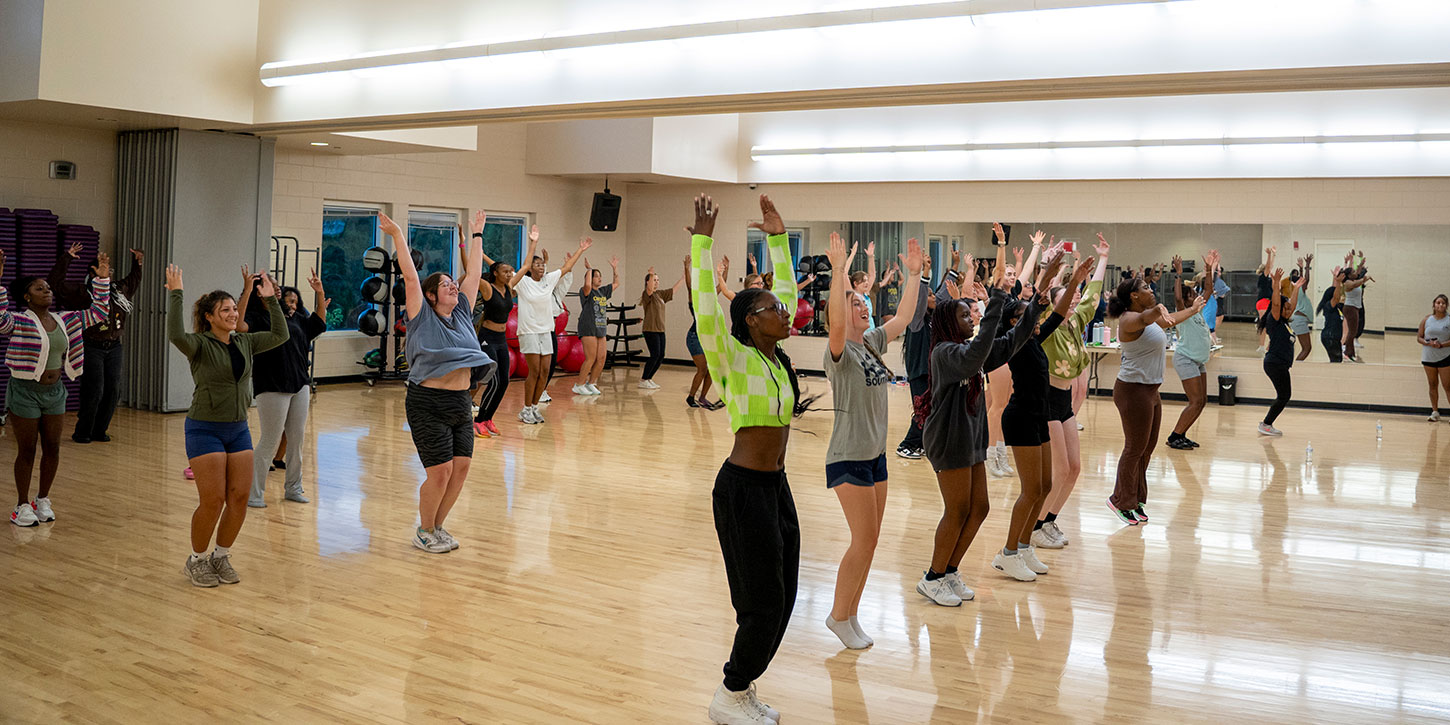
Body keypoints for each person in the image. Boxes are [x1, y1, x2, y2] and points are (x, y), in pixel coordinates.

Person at [692, 194, 807, 725]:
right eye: (773, 310)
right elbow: (704, 305)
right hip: (741, 491)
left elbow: (782, 290)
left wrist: (778, 237)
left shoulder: (775, 356)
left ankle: (743, 688)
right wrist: (702, 241)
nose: (785, 312)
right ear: (749, 321)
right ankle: (729, 693)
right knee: (761, 602)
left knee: (784, 595)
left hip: (775, 487)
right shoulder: (731, 358)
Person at [915, 239, 1031, 607]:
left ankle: (949, 571)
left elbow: (1010, 341)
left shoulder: (967, 351)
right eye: (966, 316)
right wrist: (996, 298)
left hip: (969, 439)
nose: (972, 319)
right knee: (958, 509)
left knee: (979, 508)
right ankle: (933, 577)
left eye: (973, 314)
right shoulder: (946, 353)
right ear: (951, 322)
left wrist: (1038, 305)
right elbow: (978, 352)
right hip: (947, 439)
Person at [821, 233, 923, 649]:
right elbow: (835, 320)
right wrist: (840, 271)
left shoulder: (874, 345)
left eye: (863, 302)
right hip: (847, 458)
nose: (861, 306)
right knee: (862, 541)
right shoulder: (840, 351)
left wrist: (914, 275)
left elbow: (901, 317)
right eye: (854, 303)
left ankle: (850, 613)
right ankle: (836, 615)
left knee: (872, 542)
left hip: (875, 456)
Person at [382, 212, 497, 553]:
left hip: (461, 403)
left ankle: (438, 526)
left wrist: (477, 234)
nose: (452, 286)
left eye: (452, 283)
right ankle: (423, 529)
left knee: (460, 469)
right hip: (427, 403)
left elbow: (474, 274)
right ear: (431, 296)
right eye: (445, 284)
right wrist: (398, 235)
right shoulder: (421, 316)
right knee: (440, 472)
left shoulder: (461, 312)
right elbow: (410, 277)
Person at [165, 263, 285, 585]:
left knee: (239, 497)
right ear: (209, 316)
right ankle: (197, 559)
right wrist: (176, 293)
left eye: (234, 308)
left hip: (238, 428)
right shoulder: (199, 345)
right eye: (226, 310)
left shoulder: (244, 342)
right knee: (213, 499)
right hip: (204, 428)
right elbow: (175, 333)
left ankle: (220, 555)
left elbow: (279, 334)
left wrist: (271, 299)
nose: (233, 314)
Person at [993, 245, 1086, 582]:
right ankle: (1007, 553)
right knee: (1031, 490)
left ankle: (1023, 545)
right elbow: (1038, 305)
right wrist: (1046, 275)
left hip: (1038, 415)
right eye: (1026, 317)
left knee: (1045, 486)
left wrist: (1074, 280)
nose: (1035, 320)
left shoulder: (1034, 338)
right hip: (1019, 418)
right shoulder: (1013, 343)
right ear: (1015, 323)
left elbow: (1057, 312)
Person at [3, 251, 110, 527]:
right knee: (27, 450)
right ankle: (21, 505)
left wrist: (102, 280)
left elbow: (99, 312)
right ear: (27, 297)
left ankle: (43, 499)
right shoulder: (20, 320)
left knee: (52, 447)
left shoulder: (67, 319)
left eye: (48, 287)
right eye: (40, 288)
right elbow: (1, 321)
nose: (47, 291)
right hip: (25, 391)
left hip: (55, 392)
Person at [1032, 233, 1110, 549]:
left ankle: (1049, 521)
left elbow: (1092, 296)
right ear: (1054, 304)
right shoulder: (1046, 327)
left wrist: (1103, 259)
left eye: (1074, 294)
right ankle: (1035, 527)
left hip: (1063, 401)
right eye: (1067, 294)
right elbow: (1038, 296)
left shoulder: (1076, 323)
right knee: (1059, 469)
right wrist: (1049, 266)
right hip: (1045, 400)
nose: (1074, 297)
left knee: (1074, 468)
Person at [1106, 273, 1203, 526]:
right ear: (1134, 296)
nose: (1152, 290)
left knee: (1147, 448)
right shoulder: (1129, 319)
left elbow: (1169, 321)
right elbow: (1146, 317)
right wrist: (1158, 307)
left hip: (1150, 390)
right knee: (1134, 448)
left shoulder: (1149, 319)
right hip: (1132, 391)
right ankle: (1120, 501)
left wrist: (1192, 310)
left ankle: (1136, 498)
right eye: (1146, 287)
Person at [240, 268, 328, 507]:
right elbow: (239, 325)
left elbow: (318, 324)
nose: (277, 287)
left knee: (297, 440)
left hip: (299, 383)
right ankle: (254, 493)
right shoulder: (256, 319)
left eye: (277, 284)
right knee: (270, 439)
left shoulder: (292, 316)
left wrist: (319, 294)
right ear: (259, 292)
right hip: (271, 385)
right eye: (270, 284)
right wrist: (248, 290)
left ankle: (293, 487)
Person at [48, 242, 141, 444]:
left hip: (114, 345)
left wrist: (138, 263)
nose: (109, 273)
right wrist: (67, 258)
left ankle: (100, 430)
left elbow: (133, 280)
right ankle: (83, 431)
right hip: (91, 345)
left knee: (113, 389)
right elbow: (55, 284)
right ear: (93, 272)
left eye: (110, 271)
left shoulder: (118, 290)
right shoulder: (82, 293)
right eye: (104, 270)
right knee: (94, 389)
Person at [511, 228, 590, 423]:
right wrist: (533, 243)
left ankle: (534, 407)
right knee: (534, 371)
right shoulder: (523, 283)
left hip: (546, 331)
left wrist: (581, 250)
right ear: (530, 268)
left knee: (545, 373)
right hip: (529, 332)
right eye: (536, 265)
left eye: (542, 265)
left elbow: (566, 267)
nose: (540, 267)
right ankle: (526, 408)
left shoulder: (548, 280)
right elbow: (526, 263)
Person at [986, 232, 1041, 478]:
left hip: (1011, 352)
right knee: (997, 406)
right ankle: (989, 456)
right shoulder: (996, 293)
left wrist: (1036, 247)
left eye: (1012, 274)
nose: (1010, 277)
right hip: (996, 352)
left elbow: (1027, 270)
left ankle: (1001, 452)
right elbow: (999, 270)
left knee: (1005, 404)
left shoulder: (1014, 294)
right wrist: (1002, 244)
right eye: (1007, 274)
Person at [457, 213, 513, 437]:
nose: (510, 273)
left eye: (510, 271)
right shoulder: (488, 288)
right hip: (487, 336)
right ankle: (478, 420)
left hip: (502, 339)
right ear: (495, 274)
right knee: (495, 379)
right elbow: (470, 268)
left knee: (505, 381)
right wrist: (464, 242)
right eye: (506, 271)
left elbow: (527, 264)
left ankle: (488, 418)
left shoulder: (509, 288)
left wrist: (533, 244)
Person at [895, 250, 948, 460]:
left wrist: (953, 269)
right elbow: (920, 299)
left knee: (931, 409)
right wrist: (924, 273)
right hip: (919, 371)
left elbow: (944, 295)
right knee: (922, 410)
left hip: (931, 371)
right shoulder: (916, 322)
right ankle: (906, 444)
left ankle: (924, 443)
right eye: (930, 295)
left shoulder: (932, 319)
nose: (935, 297)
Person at [1167, 254, 1213, 450]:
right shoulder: (1182, 313)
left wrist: (1209, 269)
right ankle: (1174, 436)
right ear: (1186, 300)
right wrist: (1179, 274)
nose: (1197, 296)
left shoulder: (1198, 311)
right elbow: (1177, 297)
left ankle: (1182, 434)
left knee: (1202, 401)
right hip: (1186, 359)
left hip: (1198, 361)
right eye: (1193, 294)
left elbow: (1209, 289)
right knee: (1195, 401)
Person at [1258, 268, 1304, 436]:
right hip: (1274, 363)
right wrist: (1276, 284)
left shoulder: (1284, 322)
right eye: (1285, 308)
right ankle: (1266, 424)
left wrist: (1296, 289)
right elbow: (1277, 304)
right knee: (1284, 396)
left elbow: (1290, 305)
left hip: (1279, 364)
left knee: (1284, 395)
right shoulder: (1274, 319)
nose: (1288, 310)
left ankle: (1266, 423)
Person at [575, 255, 618, 396]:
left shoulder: (603, 291)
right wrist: (589, 269)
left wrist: (615, 268)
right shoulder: (586, 291)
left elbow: (616, 283)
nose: (599, 278)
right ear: (590, 278)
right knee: (591, 358)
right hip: (588, 327)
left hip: (600, 328)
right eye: (596, 276)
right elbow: (587, 285)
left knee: (601, 358)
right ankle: (579, 384)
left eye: (600, 276)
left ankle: (591, 382)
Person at [639, 263, 685, 390]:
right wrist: (651, 273)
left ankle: (649, 378)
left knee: (661, 355)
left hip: (660, 330)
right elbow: (648, 289)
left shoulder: (659, 294)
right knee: (655, 354)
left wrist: (683, 279)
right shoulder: (646, 295)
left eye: (658, 280)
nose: (656, 282)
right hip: (650, 330)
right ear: (648, 282)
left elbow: (672, 290)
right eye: (654, 280)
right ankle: (643, 379)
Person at [1417, 294, 1450, 421]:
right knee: (1432, 384)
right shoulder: (1426, 319)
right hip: (1428, 357)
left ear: (1446, 306)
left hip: (1445, 357)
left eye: (1443, 303)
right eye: (1438, 303)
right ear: (1434, 305)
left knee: (1447, 386)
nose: (1440, 305)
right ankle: (1435, 412)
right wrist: (1427, 343)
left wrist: (1441, 345)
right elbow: (1419, 337)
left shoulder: (1448, 320)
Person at [1289, 255, 1315, 361]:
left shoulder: (1294, 288)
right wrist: (1307, 265)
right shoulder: (1300, 288)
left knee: (1305, 348)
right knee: (1307, 348)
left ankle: (1296, 364)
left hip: (1298, 320)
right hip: (1299, 320)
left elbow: (1302, 279)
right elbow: (1306, 279)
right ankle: (1296, 365)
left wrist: (1301, 268)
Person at [1318, 267, 1347, 364]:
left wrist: (1335, 278)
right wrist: (1338, 282)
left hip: (1334, 337)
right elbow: (1336, 296)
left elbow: (1335, 293)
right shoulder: (1328, 306)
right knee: (1336, 360)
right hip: (1329, 337)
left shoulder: (1337, 308)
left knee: (1337, 360)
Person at [1255, 246, 1277, 353]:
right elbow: (1269, 266)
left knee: (1270, 324)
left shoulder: (1268, 278)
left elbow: (1270, 266)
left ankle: (1265, 345)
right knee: (1265, 324)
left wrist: (1274, 254)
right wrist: (1269, 255)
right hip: (1263, 302)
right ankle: (1262, 346)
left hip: (1267, 302)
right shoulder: (1263, 277)